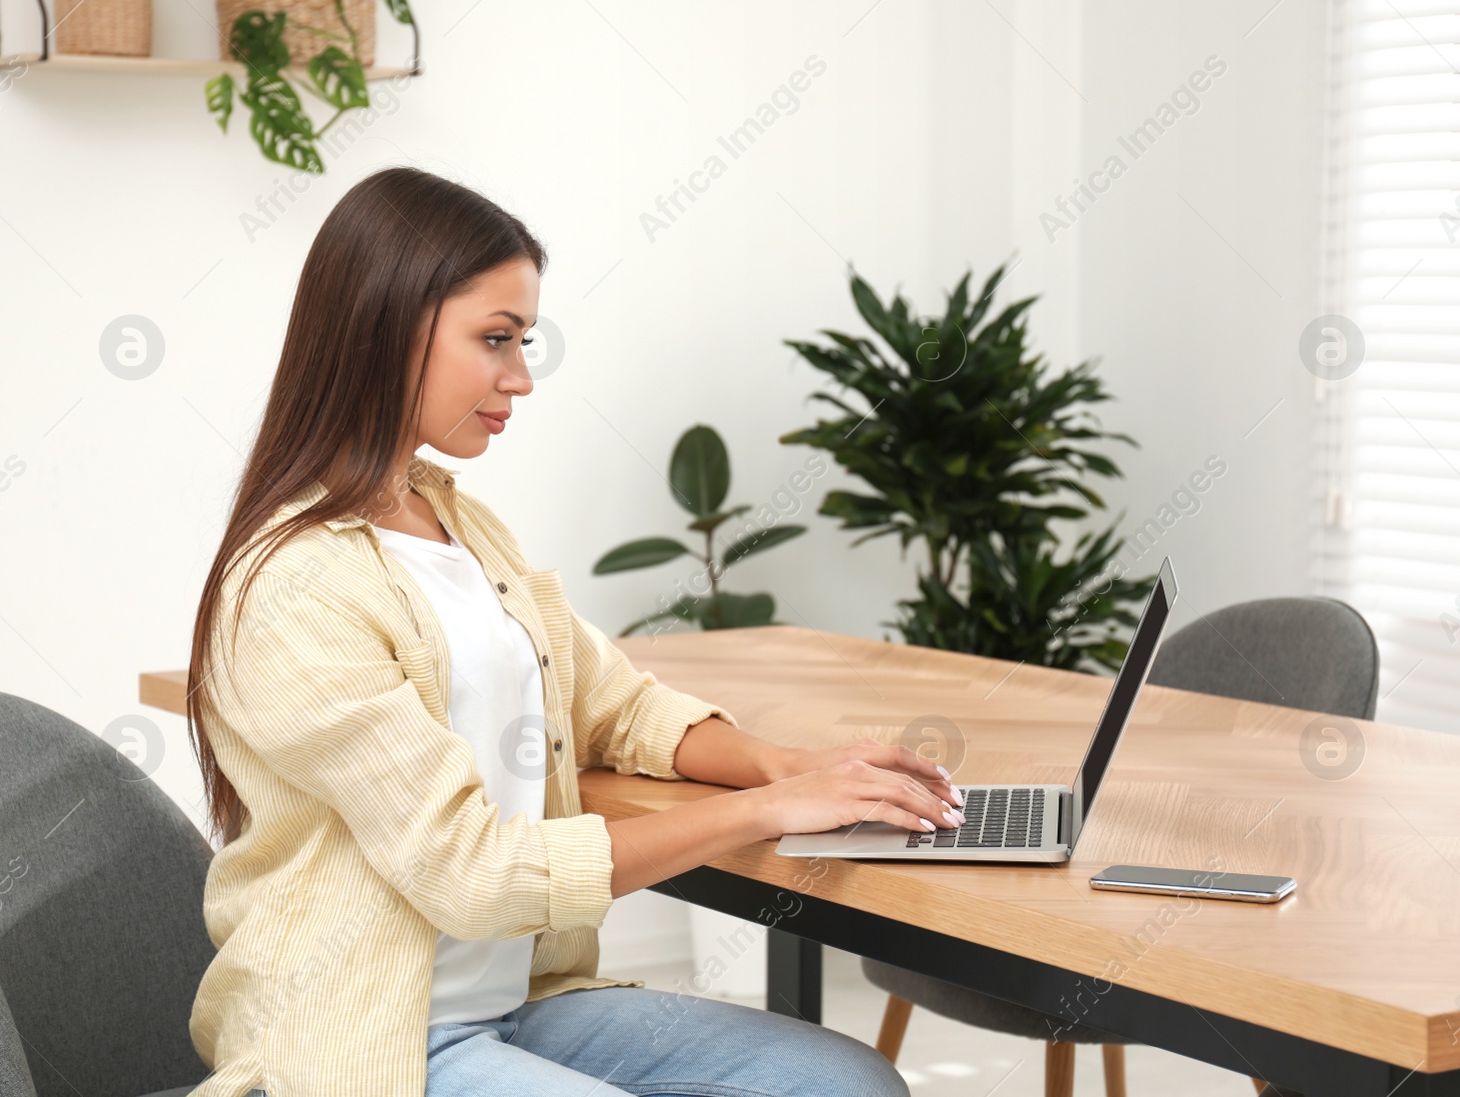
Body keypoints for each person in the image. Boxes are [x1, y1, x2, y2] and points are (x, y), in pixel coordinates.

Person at [184, 165, 966, 1097]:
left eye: (525, 341)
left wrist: (781, 764)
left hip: (521, 1000)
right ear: (389, 327)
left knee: (844, 1083)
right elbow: (471, 873)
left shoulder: (455, 522)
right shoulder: (294, 587)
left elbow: (610, 702)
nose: (520, 375)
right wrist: (760, 813)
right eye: (496, 340)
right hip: (372, 1036)